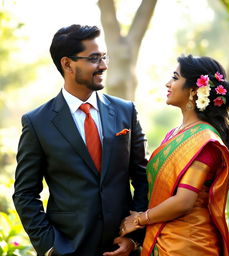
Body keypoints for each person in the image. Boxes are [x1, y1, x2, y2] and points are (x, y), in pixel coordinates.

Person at [13, 24, 148, 256]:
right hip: (68, 248)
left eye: (104, 57)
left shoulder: (126, 111)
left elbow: (144, 176)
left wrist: (135, 237)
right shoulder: (37, 122)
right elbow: (25, 193)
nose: (104, 65)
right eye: (94, 58)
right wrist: (50, 247)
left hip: (123, 247)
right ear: (67, 64)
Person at [120, 54, 229, 256]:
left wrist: (139, 219)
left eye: (175, 77)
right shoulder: (175, 134)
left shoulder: (205, 140)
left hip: (189, 244)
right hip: (164, 238)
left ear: (195, 90)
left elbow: (184, 201)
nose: (168, 83)